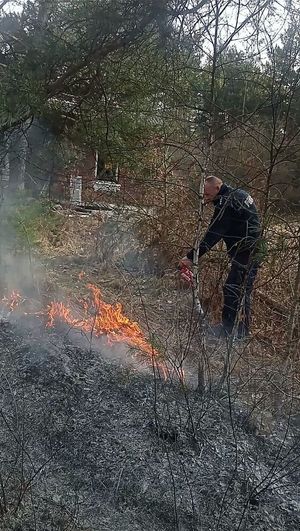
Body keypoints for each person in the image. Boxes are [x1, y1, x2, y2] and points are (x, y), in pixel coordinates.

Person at [180, 176, 262, 339]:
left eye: (208, 195)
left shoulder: (227, 202)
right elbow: (217, 227)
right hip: (249, 251)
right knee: (240, 290)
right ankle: (238, 331)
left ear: (217, 188)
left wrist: (191, 257)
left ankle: (231, 332)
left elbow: (214, 233)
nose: (206, 199)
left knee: (234, 289)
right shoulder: (236, 194)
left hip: (247, 252)